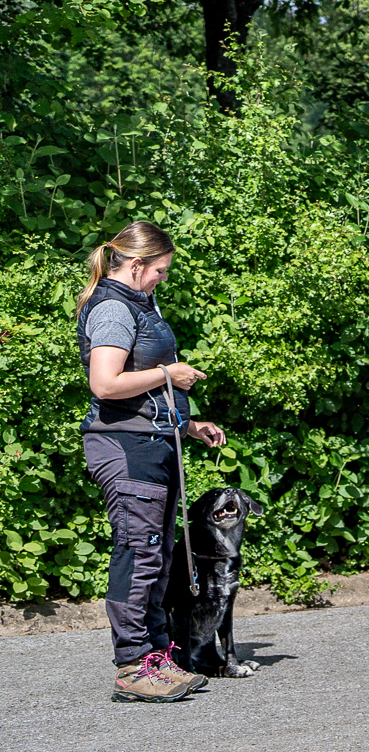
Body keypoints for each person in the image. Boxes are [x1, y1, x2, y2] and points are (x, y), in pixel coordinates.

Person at [77, 221, 229, 702]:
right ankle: (131, 666)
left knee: (160, 556)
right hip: (124, 448)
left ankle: (157, 656)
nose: (163, 278)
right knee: (138, 552)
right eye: (159, 270)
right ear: (137, 264)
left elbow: (140, 393)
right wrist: (169, 372)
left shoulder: (141, 303)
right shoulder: (113, 309)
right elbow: (105, 385)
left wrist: (185, 425)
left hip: (153, 440)